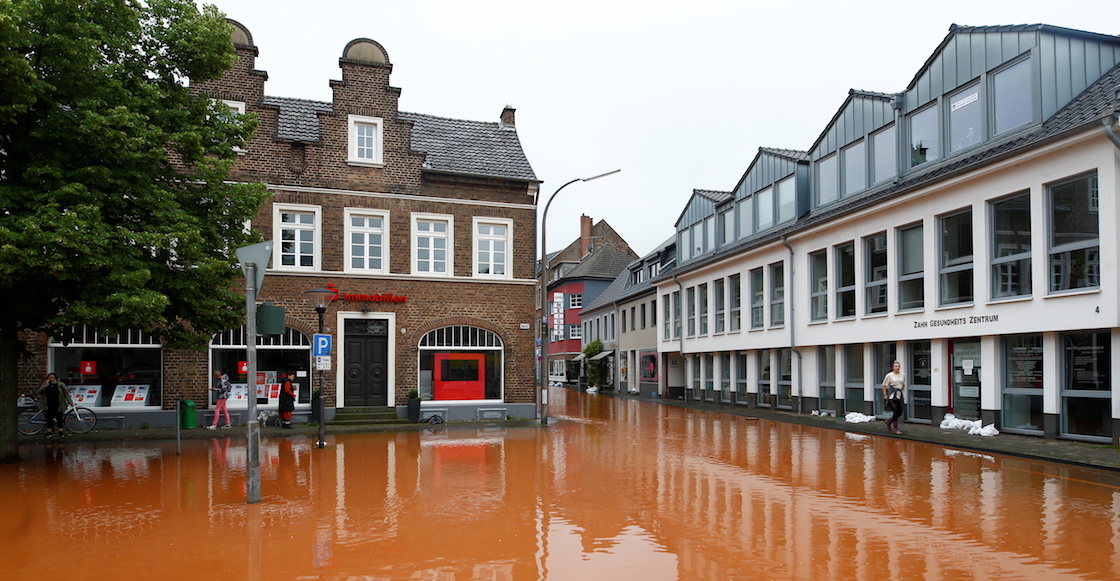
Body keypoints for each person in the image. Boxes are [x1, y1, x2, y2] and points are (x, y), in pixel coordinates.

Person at [36, 372, 73, 438]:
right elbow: (39, 392)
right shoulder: (46, 385)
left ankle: (60, 432)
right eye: (50, 378)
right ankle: (49, 432)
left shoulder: (60, 385)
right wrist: (46, 385)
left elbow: (66, 393)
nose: (51, 379)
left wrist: (70, 401)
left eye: (52, 378)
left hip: (58, 404)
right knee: (49, 418)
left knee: (59, 418)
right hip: (48, 404)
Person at [881, 360, 906, 435]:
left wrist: (902, 390)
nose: (897, 368)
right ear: (893, 367)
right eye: (896, 366)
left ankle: (889, 421)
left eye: (898, 366)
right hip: (892, 395)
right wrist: (885, 394)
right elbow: (884, 385)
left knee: (900, 412)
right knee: (895, 411)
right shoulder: (889, 375)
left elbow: (903, 384)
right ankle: (896, 429)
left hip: (899, 395)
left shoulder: (903, 375)